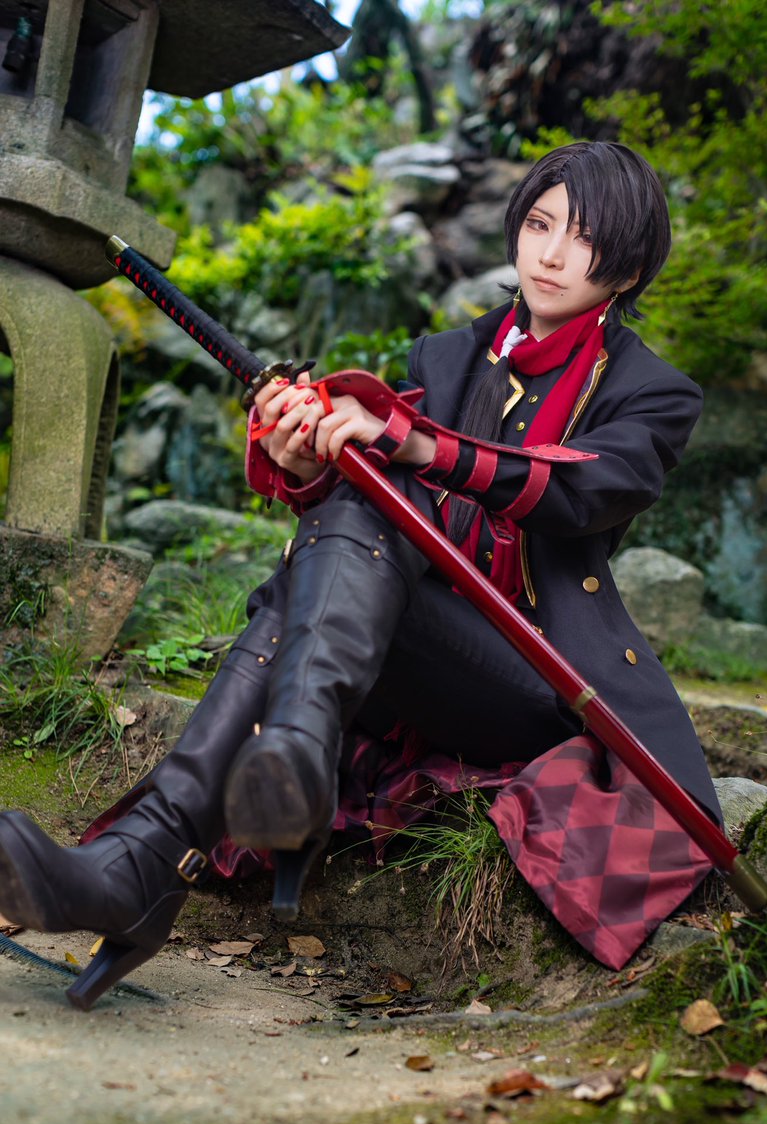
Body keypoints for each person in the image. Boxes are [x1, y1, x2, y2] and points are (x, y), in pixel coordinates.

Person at [0, 141, 719, 1010]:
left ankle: (150, 856)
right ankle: (267, 772)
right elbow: (371, 508)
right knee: (351, 510)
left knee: (313, 569)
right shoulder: (443, 357)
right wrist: (308, 457)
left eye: (586, 238)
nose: (552, 254)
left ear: (630, 266)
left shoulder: (654, 391)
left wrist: (412, 443)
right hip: (398, 647)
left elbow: (575, 491)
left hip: (533, 684)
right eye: (539, 224)